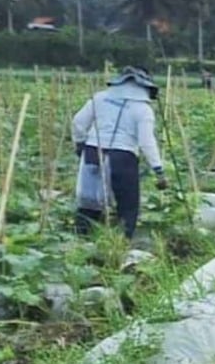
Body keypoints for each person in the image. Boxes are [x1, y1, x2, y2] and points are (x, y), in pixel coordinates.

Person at [72, 66, 167, 239]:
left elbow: (78, 122)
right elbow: (146, 142)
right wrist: (158, 169)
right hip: (123, 157)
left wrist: (80, 144)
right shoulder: (142, 109)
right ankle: (123, 240)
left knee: (89, 200)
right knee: (127, 204)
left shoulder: (100, 98)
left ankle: (81, 239)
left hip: (93, 150)